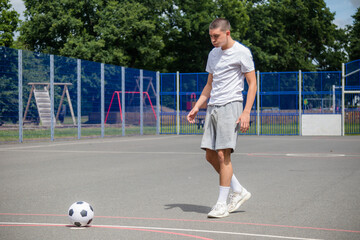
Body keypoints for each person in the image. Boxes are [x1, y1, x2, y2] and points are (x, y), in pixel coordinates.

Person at [187, 18, 257, 218]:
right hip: (213, 107)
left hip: (231, 105)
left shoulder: (242, 52)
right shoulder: (213, 54)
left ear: (227, 33)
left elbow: (252, 84)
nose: (213, 40)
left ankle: (221, 204)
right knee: (209, 155)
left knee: (222, 155)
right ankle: (238, 190)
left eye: (216, 36)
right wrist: (197, 106)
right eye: (210, 36)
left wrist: (246, 111)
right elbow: (210, 84)